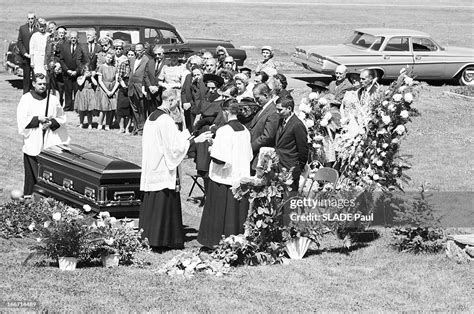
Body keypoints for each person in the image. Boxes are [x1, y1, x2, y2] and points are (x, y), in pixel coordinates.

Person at [139, 95, 212, 250]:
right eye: (176, 103)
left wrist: (188, 135)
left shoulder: (152, 116)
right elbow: (174, 148)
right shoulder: (165, 119)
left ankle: (149, 235)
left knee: (153, 202)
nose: (178, 107)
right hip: (163, 166)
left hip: (153, 164)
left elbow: (171, 140)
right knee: (163, 202)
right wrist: (194, 141)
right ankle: (162, 239)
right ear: (170, 101)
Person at [198, 99, 253, 248]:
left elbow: (219, 160)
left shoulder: (224, 131)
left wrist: (212, 148)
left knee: (220, 212)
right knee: (236, 215)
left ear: (226, 112)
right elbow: (248, 156)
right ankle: (238, 242)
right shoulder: (245, 130)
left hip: (224, 179)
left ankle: (214, 241)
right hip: (240, 178)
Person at [17, 73, 70, 197]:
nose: (42, 86)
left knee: (49, 172)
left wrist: (51, 123)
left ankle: (49, 196)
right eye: (39, 84)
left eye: (44, 84)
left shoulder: (53, 99)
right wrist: (38, 119)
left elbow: (62, 118)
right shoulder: (26, 99)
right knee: (33, 173)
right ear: (34, 84)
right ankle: (29, 196)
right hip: (33, 140)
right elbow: (22, 120)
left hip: (49, 140)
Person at [274, 97, 308, 225]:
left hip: (291, 167)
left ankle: (290, 227)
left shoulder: (297, 124)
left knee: (290, 200)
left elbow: (303, 149)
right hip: (280, 165)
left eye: (280, 110)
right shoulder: (282, 121)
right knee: (281, 198)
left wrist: (298, 167)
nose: (278, 112)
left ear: (289, 109)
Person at [248, 83, 279, 173]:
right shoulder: (263, 109)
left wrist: (251, 147)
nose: (256, 101)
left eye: (258, 98)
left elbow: (267, 136)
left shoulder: (272, 112)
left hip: (261, 156)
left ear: (265, 95)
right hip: (254, 155)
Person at [128, 43, 151, 135]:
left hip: (140, 87)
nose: (137, 52)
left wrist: (145, 88)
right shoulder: (132, 59)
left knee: (142, 109)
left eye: (139, 50)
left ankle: (142, 129)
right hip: (131, 87)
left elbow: (146, 74)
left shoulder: (147, 60)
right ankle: (137, 127)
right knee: (134, 109)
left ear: (143, 51)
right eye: (136, 50)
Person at [58, 31, 84, 111]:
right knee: (67, 90)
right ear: (69, 38)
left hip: (77, 73)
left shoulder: (81, 47)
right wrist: (67, 70)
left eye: (75, 38)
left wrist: (77, 71)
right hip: (67, 73)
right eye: (72, 38)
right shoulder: (64, 46)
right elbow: (61, 60)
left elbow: (82, 61)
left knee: (77, 90)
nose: (73, 39)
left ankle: (76, 107)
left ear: (77, 38)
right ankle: (68, 106)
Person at [17, 12, 38, 93]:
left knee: (35, 76)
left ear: (35, 19)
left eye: (32, 19)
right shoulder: (22, 28)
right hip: (25, 57)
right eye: (29, 19)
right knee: (26, 77)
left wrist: (34, 55)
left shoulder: (37, 29)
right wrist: (25, 53)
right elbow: (20, 42)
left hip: (35, 57)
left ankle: (35, 93)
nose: (30, 20)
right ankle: (25, 93)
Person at [96, 51, 117, 130]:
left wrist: (112, 91)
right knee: (103, 108)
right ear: (105, 57)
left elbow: (117, 80)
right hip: (104, 88)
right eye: (108, 57)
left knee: (110, 108)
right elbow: (100, 81)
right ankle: (100, 123)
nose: (109, 59)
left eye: (110, 58)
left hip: (112, 88)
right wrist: (107, 91)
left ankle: (107, 124)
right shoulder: (101, 67)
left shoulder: (114, 68)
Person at [75, 63, 97, 129]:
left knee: (89, 111)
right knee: (81, 110)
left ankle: (90, 124)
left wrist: (92, 77)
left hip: (90, 94)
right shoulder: (80, 77)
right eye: (86, 71)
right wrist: (84, 76)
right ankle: (81, 123)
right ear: (83, 72)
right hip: (82, 94)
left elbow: (96, 84)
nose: (87, 73)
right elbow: (80, 83)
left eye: (88, 71)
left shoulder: (91, 79)